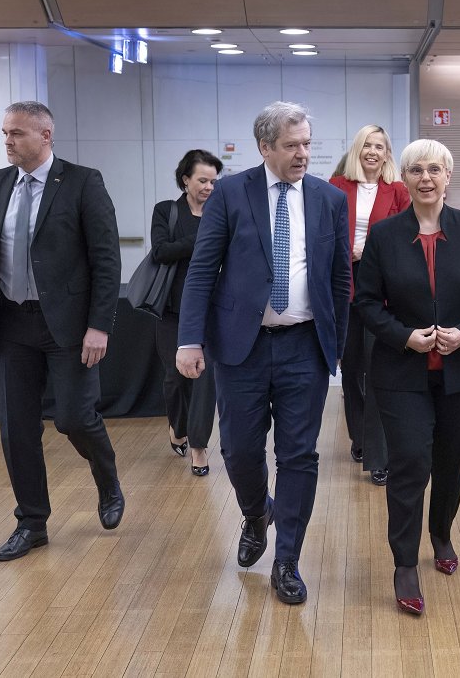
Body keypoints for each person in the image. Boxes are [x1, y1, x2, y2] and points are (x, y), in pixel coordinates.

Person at [176, 101, 351, 606]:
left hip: (304, 346)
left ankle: (287, 560)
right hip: (241, 347)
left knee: (299, 455)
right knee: (239, 450)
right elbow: (202, 269)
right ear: (265, 147)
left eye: (307, 144)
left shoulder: (329, 198)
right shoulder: (231, 193)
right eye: (292, 145)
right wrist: (189, 339)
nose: (303, 154)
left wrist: (335, 345)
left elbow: (340, 278)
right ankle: (256, 512)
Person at [0, 101, 124, 561]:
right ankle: (31, 522)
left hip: (68, 326)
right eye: (4, 133)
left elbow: (106, 259)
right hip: (11, 323)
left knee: (73, 417)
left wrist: (99, 325)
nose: (8, 141)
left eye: (16, 133)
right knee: (16, 429)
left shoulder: (83, 182)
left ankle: (107, 478)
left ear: (45, 135)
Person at [355, 139, 460, 615]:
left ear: (448, 176)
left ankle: (440, 532)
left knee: (451, 462)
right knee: (409, 463)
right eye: (416, 170)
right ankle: (404, 563)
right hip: (401, 373)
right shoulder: (384, 235)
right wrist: (405, 337)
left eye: (434, 170)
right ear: (404, 177)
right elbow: (366, 302)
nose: (426, 178)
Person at [330, 125, 411, 485]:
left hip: (383, 289)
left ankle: (380, 454)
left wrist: (370, 250)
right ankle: (361, 437)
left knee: (378, 369)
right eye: (367, 145)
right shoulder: (336, 186)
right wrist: (348, 251)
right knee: (351, 370)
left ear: (387, 153)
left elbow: (407, 235)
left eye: (380, 146)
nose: (373, 151)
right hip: (344, 286)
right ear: (357, 150)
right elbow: (323, 235)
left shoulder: (398, 190)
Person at [150, 149, 223, 476]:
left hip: (210, 310)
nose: (209, 187)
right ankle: (178, 427)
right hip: (171, 309)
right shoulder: (167, 211)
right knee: (175, 377)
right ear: (185, 180)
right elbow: (161, 251)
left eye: (213, 181)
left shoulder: (220, 212)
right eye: (202, 180)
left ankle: (199, 448)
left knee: (204, 381)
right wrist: (202, 239)